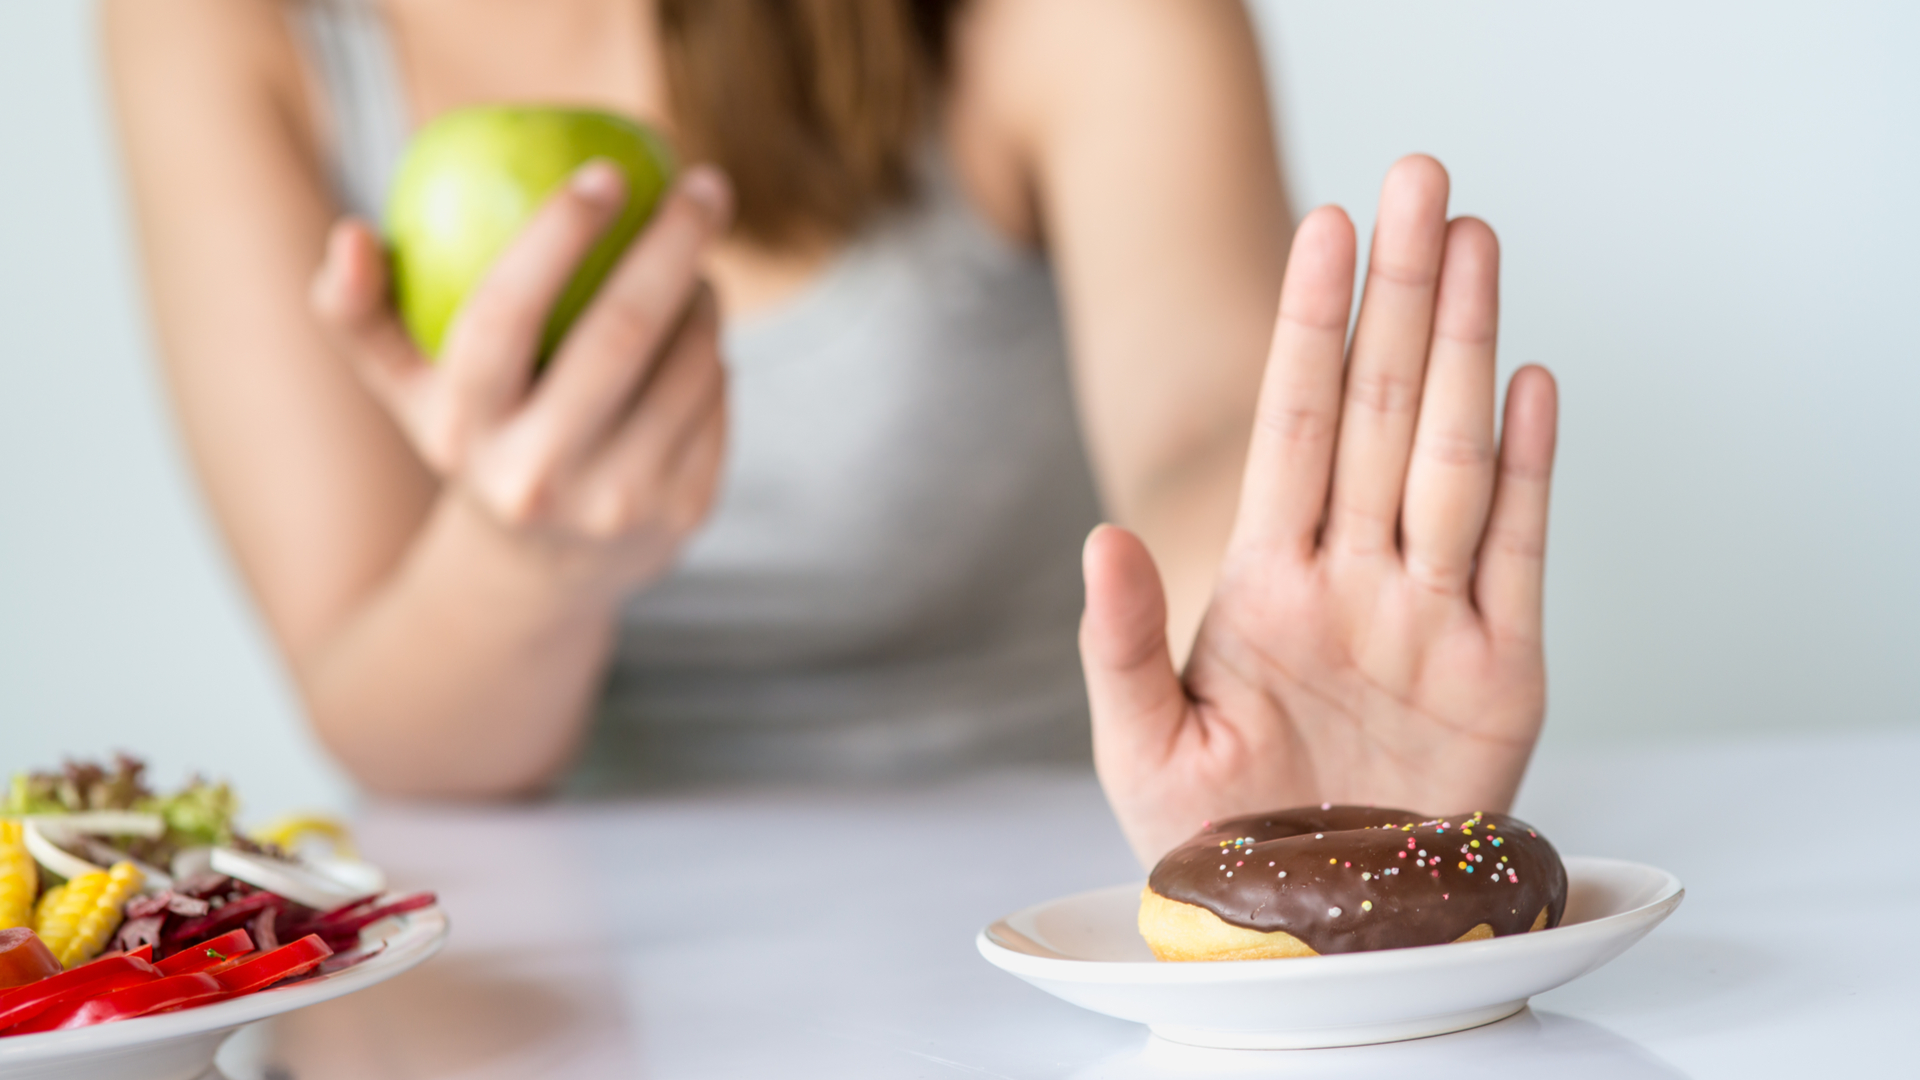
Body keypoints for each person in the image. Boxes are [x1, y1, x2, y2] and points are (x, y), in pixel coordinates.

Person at [103, 0, 1556, 863]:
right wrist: (526, 566)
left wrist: (1276, 617)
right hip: (567, 972)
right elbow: (387, 717)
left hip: (1041, 893)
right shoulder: (223, 31)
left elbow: (1202, 425)